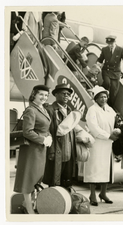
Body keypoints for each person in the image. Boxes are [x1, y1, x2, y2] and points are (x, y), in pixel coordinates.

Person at [13, 85, 52, 214]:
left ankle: (29, 204)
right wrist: (42, 139)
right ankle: (29, 209)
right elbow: (27, 131)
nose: (44, 97)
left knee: (37, 177)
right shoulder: (31, 110)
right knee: (29, 178)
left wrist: (49, 137)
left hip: (40, 149)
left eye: (46, 95)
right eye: (41, 94)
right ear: (34, 94)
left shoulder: (43, 109)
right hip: (31, 149)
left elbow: (44, 129)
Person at [84, 85, 120, 206]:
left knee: (107, 169)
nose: (103, 99)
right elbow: (94, 127)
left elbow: (115, 122)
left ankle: (103, 193)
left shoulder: (110, 110)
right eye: (100, 97)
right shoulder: (92, 110)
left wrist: (116, 131)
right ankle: (92, 194)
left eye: (105, 97)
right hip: (97, 143)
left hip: (108, 144)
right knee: (94, 168)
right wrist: (107, 135)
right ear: (96, 98)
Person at [42, 84, 77, 191]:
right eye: (63, 93)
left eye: (68, 94)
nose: (66, 96)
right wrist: (51, 150)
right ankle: (53, 204)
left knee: (67, 180)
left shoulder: (70, 110)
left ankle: (65, 204)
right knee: (54, 180)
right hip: (56, 150)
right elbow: (46, 131)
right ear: (56, 95)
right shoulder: (50, 110)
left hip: (69, 151)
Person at [97, 35, 123, 107]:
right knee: (107, 83)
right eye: (108, 44)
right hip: (106, 71)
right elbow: (100, 59)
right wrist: (98, 64)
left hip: (116, 73)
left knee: (114, 91)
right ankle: (99, 93)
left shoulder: (121, 50)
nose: (110, 45)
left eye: (111, 44)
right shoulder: (104, 49)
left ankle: (110, 106)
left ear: (115, 42)